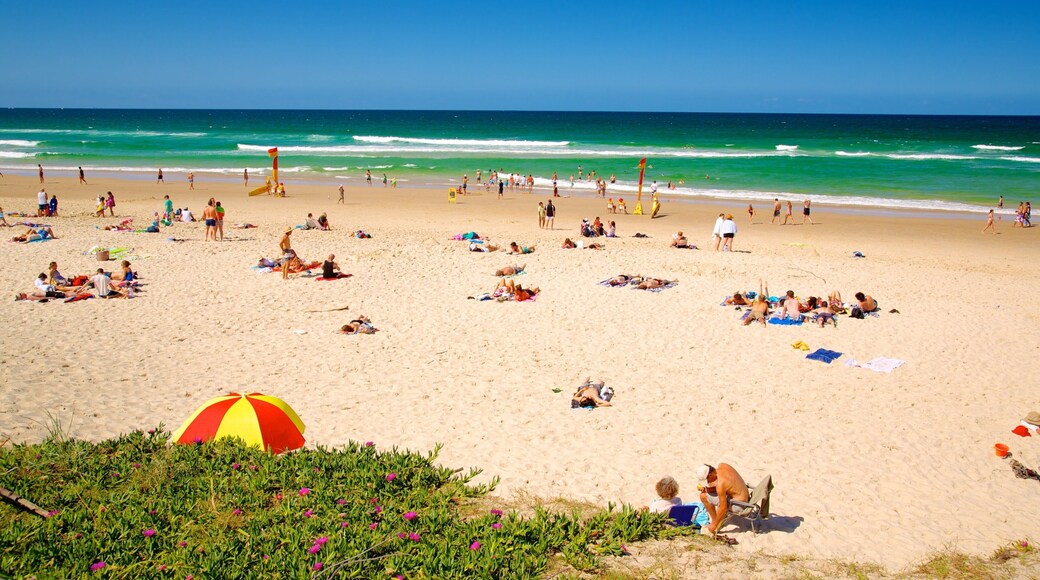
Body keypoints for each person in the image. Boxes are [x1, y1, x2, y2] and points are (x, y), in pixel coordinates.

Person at [696, 463, 750, 535]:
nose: (708, 482)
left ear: (710, 475)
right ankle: (716, 521)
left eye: (707, 479)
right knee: (707, 493)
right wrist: (708, 490)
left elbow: (723, 508)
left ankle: (715, 522)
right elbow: (727, 485)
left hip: (739, 505)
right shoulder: (722, 465)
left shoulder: (720, 484)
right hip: (744, 497)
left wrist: (714, 526)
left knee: (703, 496)